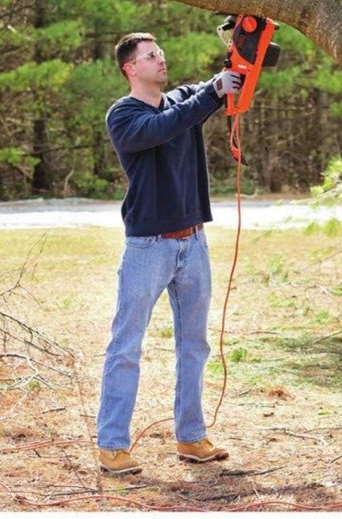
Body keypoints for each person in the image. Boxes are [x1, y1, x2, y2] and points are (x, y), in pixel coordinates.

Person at [96, 32, 241, 475]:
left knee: (194, 345)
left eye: (160, 52)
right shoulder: (124, 114)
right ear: (130, 69)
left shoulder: (181, 100)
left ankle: (191, 437)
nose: (160, 59)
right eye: (150, 56)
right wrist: (212, 91)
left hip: (193, 242)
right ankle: (112, 445)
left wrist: (242, 50)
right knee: (126, 345)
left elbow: (212, 92)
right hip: (148, 246)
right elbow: (166, 126)